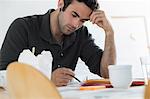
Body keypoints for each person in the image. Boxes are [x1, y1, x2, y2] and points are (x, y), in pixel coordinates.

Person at [0, 0, 116, 87]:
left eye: (83, 21)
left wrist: (109, 32)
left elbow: (107, 73)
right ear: (60, 3)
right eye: (74, 15)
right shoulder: (23, 28)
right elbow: (2, 75)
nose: (76, 25)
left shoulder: (81, 34)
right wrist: (47, 80)